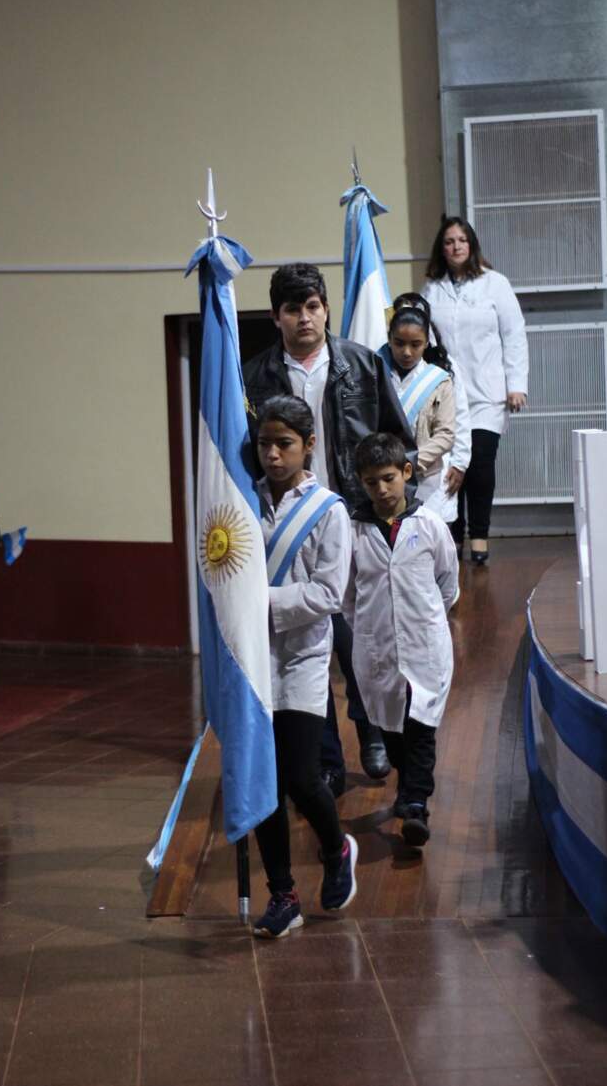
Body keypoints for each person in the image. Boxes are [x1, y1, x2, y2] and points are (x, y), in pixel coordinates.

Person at [243, 263, 417, 795]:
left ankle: (372, 735)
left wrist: (389, 508)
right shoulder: (253, 376)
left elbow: (398, 441)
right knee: (307, 647)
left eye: (313, 307)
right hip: (290, 525)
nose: (304, 318)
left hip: (352, 518)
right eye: (292, 309)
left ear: (326, 309)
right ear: (277, 317)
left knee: (358, 643)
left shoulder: (362, 366)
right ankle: (325, 758)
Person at [252, 396, 357, 938]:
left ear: (308, 445)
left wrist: (259, 602)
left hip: (302, 657)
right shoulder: (243, 502)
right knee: (260, 784)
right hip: (251, 658)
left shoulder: (328, 510)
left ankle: (336, 847)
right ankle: (283, 894)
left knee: (300, 777)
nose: (272, 454)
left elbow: (328, 592)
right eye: (265, 443)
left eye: (284, 444)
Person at [344, 433, 458, 847]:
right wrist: (374, 628)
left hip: (424, 645)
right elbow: (348, 596)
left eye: (389, 478)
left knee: (421, 725)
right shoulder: (354, 531)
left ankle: (415, 805)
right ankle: (406, 788)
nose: (381, 489)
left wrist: (424, 621)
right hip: (378, 649)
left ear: (407, 473)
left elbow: (448, 582)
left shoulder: (429, 525)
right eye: (371, 481)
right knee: (392, 729)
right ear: (360, 481)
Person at [421, 217, 528, 563]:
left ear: (472, 244)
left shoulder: (495, 284)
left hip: (487, 393)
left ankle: (479, 535)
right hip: (447, 393)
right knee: (451, 466)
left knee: (480, 465)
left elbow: (514, 335)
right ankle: (453, 535)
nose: (456, 246)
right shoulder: (433, 289)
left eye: (462, 240)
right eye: (449, 241)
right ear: (442, 248)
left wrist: (517, 386)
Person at [380, 296, 459, 520]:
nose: (406, 352)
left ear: (426, 342)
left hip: (425, 480)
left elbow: (446, 434)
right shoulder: (374, 374)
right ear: (389, 339)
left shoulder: (439, 380)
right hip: (383, 479)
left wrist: (409, 464)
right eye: (399, 343)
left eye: (415, 345)